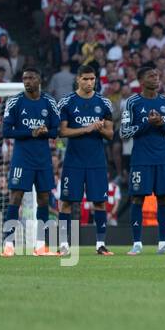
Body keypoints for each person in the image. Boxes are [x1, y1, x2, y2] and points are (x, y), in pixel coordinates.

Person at [118, 64, 165, 255]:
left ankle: (163, 244)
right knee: (137, 199)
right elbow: (124, 132)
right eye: (151, 75)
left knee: (164, 199)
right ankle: (137, 243)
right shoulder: (132, 102)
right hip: (141, 158)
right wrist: (147, 122)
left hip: (162, 158)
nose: (156, 78)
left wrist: (162, 123)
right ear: (141, 80)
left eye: (157, 75)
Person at [0, 66, 60, 256]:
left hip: (42, 159)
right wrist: (31, 132)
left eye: (31, 78)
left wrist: (45, 132)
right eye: (25, 78)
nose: (27, 81)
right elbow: (6, 131)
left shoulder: (49, 102)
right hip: (22, 158)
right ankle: (8, 245)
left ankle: (40, 245)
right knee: (15, 197)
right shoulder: (15, 101)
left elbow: (56, 130)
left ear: (39, 80)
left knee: (43, 198)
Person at [57, 63, 115, 256]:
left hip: (96, 161)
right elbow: (62, 131)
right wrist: (87, 128)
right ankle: (64, 244)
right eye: (85, 79)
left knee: (99, 202)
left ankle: (100, 244)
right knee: (67, 202)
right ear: (78, 79)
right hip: (73, 161)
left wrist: (100, 129)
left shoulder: (104, 103)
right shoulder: (66, 102)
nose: (90, 83)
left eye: (92, 79)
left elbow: (110, 134)